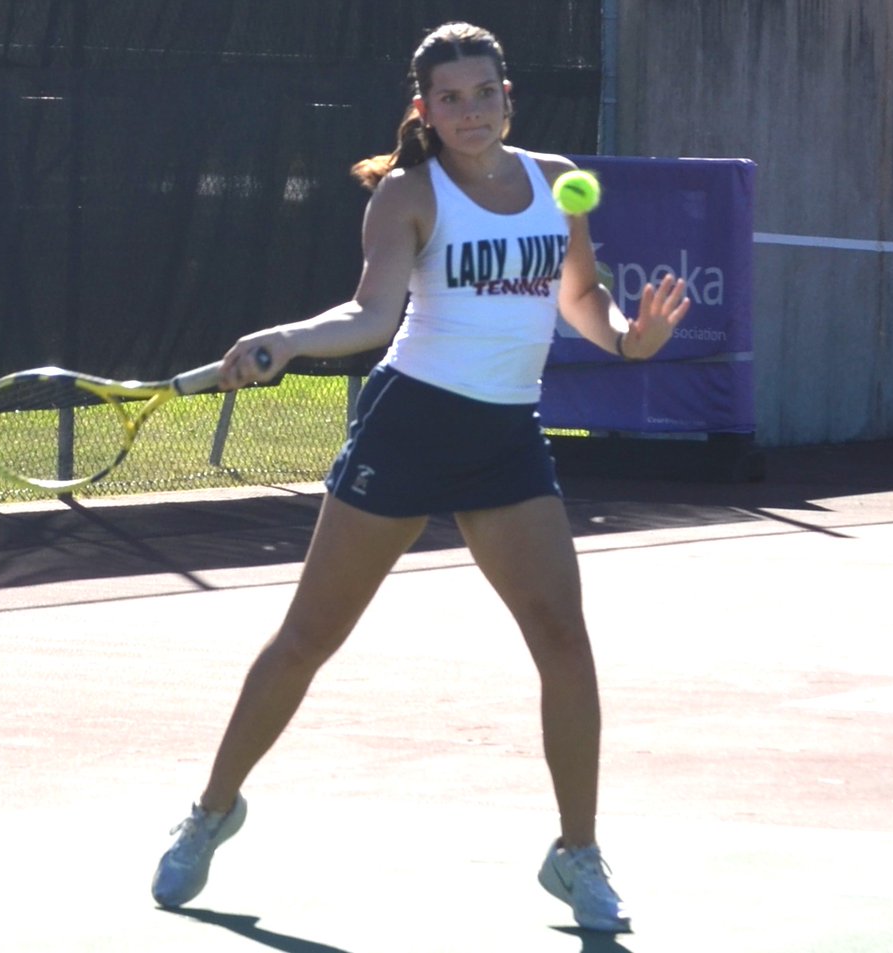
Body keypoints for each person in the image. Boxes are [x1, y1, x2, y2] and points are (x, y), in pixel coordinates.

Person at [151, 21, 689, 933]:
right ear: (424, 111)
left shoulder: (559, 182)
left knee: (564, 637)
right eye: (452, 98)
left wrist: (631, 341)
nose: (471, 110)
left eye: (485, 93)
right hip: (410, 424)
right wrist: (284, 340)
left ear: (508, 98)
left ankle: (577, 853)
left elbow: (579, 298)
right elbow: (370, 314)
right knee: (306, 639)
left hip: (507, 438)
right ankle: (210, 812)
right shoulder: (407, 194)